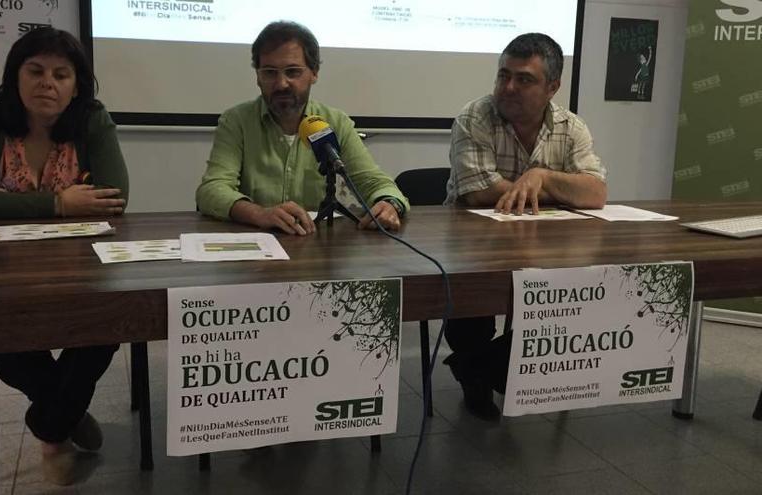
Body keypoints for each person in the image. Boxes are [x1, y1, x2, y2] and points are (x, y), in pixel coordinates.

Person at [0, 27, 129, 485]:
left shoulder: (92, 120)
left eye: (62, 74)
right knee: (1, 343)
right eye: (36, 71)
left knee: (107, 326)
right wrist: (60, 203)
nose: (48, 82)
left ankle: (51, 424)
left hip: (79, 267)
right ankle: (63, 417)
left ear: (77, 84)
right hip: (0, 272)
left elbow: (114, 197)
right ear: (15, 76)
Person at [444, 32, 607, 419]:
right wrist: (553, 189)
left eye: (524, 79)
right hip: (472, 246)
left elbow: (595, 192)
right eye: (504, 76)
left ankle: (477, 366)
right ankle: (476, 373)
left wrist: (544, 178)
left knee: (573, 303)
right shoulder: (474, 117)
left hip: (545, 249)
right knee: (470, 308)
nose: (508, 87)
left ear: (553, 87)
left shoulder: (572, 127)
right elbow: (480, 192)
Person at [196, 20, 408, 234]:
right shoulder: (237, 120)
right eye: (269, 72)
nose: (281, 84)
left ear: (314, 73)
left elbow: (373, 182)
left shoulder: (335, 122)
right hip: (258, 246)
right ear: (257, 76)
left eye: (293, 72)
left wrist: (390, 204)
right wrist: (259, 214)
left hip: (318, 247)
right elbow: (212, 190)